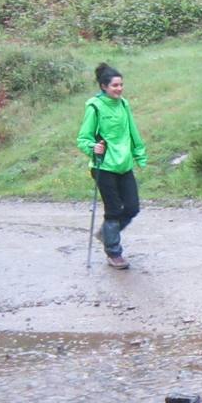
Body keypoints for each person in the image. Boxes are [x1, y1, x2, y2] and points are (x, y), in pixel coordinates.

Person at [75, 63, 147, 270]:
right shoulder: (95, 107)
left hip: (124, 164)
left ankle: (107, 234)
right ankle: (114, 252)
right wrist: (92, 147)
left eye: (121, 85)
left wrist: (139, 155)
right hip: (103, 166)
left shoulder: (124, 104)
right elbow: (83, 138)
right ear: (104, 86)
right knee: (114, 209)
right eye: (115, 85)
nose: (119, 89)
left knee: (132, 207)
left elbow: (133, 131)